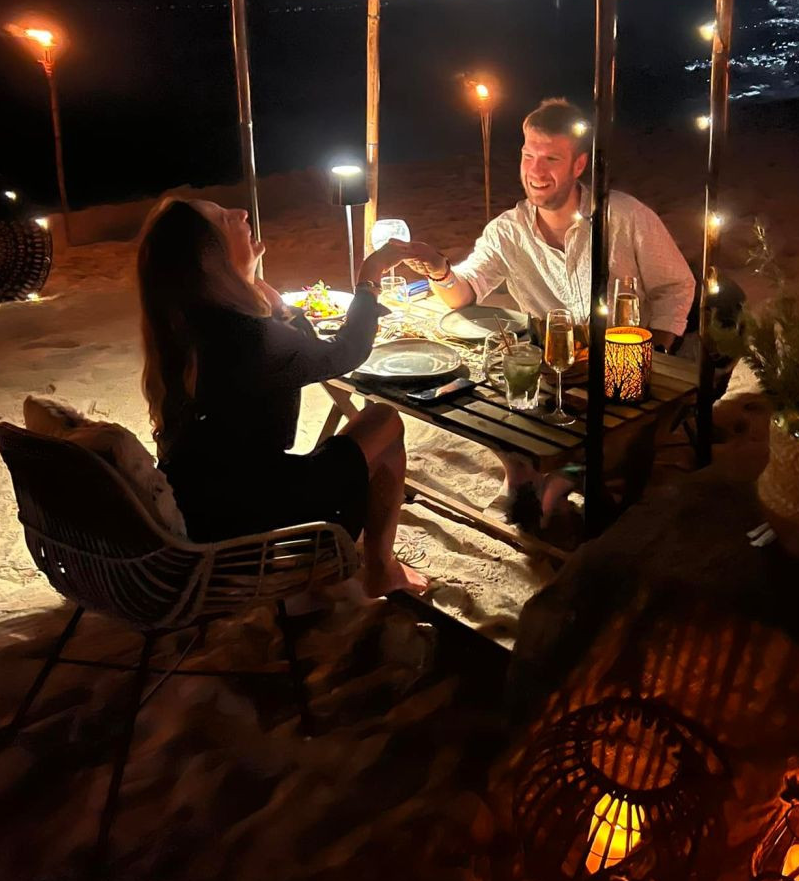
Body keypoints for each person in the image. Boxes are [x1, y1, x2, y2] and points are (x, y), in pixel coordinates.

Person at [137, 197, 426, 597]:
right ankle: (382, 569)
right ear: (209, 260)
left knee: (349, 440)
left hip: (199, 505)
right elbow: (346, 352)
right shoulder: (246, 337)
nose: (240, 213)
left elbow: (293, 344)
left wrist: (252, 284)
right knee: (383, 421)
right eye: (223, 219)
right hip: (248, 518)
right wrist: (369, 277)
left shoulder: (183, 323)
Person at [405, 97, 696, 352]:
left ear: (578, 165)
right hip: (553, 362)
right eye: (528, 156)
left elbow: (675, 287)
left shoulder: (625, 216)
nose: (536, 171)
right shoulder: (508, 231)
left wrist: (655, 353)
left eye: (551, 159)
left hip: (623, 362)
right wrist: (440, 272)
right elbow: (465, 292)